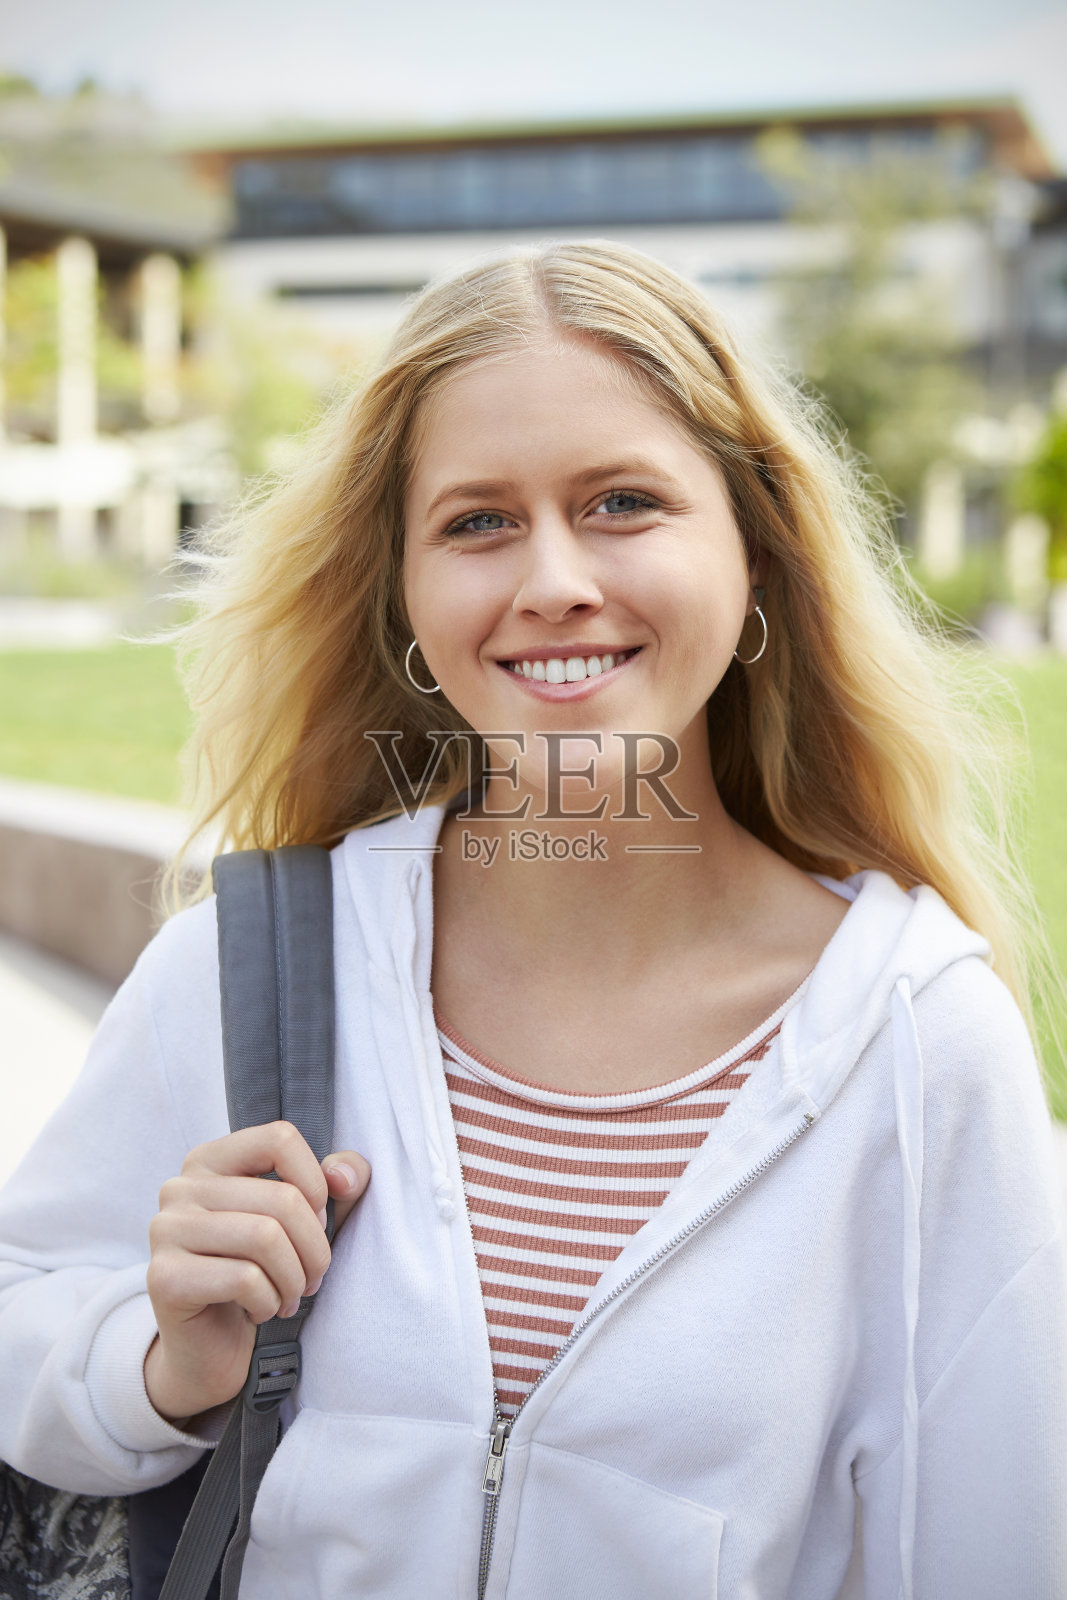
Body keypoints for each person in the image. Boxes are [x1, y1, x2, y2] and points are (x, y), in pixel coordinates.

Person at [1, 240, 1065, 1600]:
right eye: (478, 522)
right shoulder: (252, 964)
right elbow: (20, 1314)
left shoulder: (918, 1044)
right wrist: (162, 1365)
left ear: (756, 557)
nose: (552, 577)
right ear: (404, 595)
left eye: (623, 502)